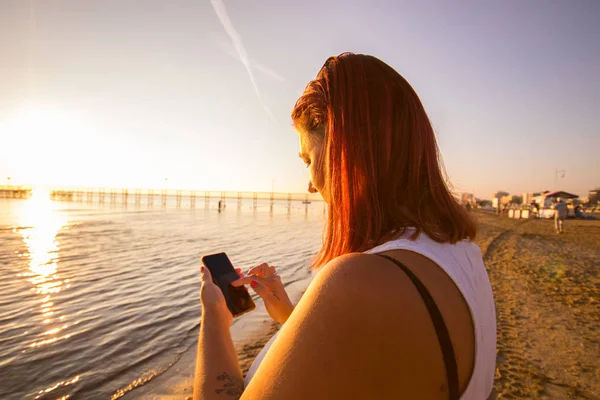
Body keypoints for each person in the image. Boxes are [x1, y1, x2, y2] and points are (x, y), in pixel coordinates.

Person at [194, 53, 497, 400]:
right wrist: (295, 318)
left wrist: (215, 317)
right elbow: (373, 358)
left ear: (346, 154)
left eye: (308, 160)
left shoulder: (359, 282)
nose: (309, 185)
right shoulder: (463, 257)